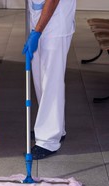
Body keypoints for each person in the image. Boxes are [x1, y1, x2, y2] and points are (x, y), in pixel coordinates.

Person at [22, 0, 76, 159]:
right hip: (40, 21)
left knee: (51, 82)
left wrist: (37, 31)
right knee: (40, 79)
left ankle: (48, 140)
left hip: (55, 26)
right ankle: (54, 127)